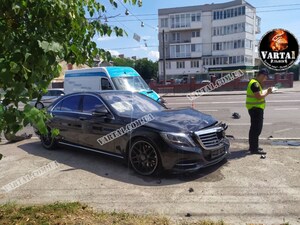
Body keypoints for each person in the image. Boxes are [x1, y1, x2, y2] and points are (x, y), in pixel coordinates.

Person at [246, 68, 273, 154]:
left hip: (255, 109)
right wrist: (268, 92)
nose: (266, 78)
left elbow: (258, 95)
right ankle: (254, 149)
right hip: (255, 109)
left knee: (254, 129)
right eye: (265, 77)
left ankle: (253, 147)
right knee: (256, 129)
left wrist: (265, 91)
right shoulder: (255, 84)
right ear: (261, 75)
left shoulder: (256, 83)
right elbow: (258, 96)